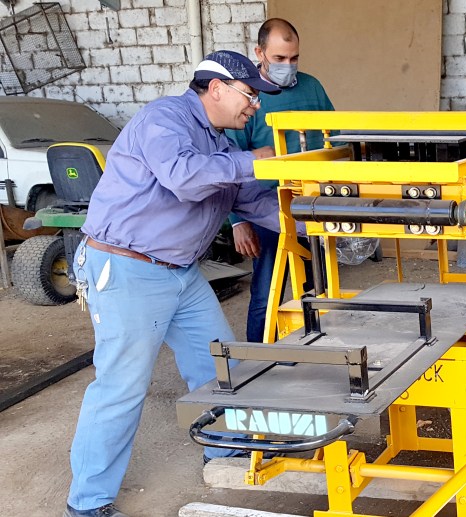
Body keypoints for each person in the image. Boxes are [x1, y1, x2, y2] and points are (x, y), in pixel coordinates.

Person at [63, 50, 291, 517]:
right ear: (217, 88)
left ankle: (225, 449)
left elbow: (256, 204)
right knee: (122, 386)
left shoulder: (222, 146)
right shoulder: (164, 119)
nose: (255, 107)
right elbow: (184, 177)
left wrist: (327, 220)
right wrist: (255, 161)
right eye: (250, 95)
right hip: (127, 268)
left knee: (217, 364)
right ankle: (87, 503)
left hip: (181, 272)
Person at [226, 18, 335, 343]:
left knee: (321, 289)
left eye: (294, 58)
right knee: (266, 293)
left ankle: (323, 349)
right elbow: (230, 162)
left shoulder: (312, 87)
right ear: (259, 53)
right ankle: (259, 360)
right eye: (279, 58)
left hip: (313, 204)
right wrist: (237, 221)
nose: (288, 66)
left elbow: (336, 136)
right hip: (266, 209)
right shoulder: (248, 97)